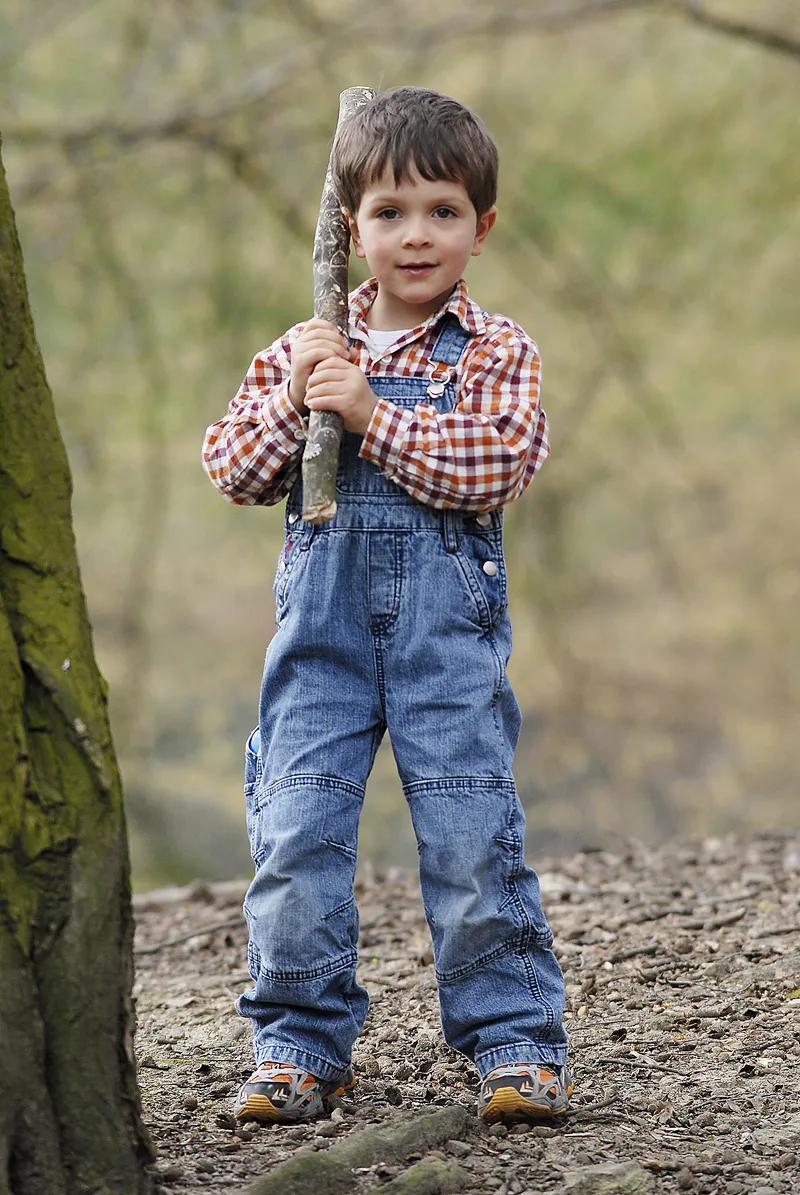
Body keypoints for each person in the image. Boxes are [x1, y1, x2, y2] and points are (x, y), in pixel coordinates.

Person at [202, 86, 570, 1127]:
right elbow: (229, 468)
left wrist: (367, 412)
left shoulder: (495, 352)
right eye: (389, 213)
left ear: (480, 228)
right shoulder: (306, 346)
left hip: (443, 647)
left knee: (469, 836)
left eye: (442, 212)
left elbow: (493, 465)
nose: (416, 236)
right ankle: (299, 1043)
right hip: (316, 646)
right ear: (346, 225)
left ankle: (511, 1040)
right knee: (296, 835)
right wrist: (295, 400)